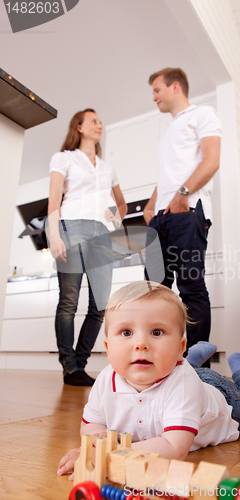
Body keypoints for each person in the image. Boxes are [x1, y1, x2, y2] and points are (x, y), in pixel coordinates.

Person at [57, 281, 240, 479]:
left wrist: (106, 455)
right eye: (126, 332)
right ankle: (193, 359)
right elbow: (90, 424)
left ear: (179, 346)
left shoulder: (183, 385)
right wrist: (95, 442)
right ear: (107, 348)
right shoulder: (106, 380)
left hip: (223, 398)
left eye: (156, 332)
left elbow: (174, 448)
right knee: (172, 368)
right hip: (179, 375)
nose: (140, 344)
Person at [143, 68, 221, 356]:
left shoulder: (203, 114)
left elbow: (212, 160)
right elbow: (168, 175)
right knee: (152, 291)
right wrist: (152, 204)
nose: (154, 97)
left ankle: (197, 370)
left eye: (157, 90)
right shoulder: (169, 131)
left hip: (187, 213)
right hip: (163, 216)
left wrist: (182, 195)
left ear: (175, 87)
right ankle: (159, 359)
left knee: (190, 288)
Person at [47, 108, 127, 387]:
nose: (99, 125)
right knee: (69, 300)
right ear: (79, 127)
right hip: (71, 228)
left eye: (101, 122)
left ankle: (80, 364)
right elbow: (54, 202)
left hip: (101, 235)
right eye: (93, 121)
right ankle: (69, 367)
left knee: (101, 305)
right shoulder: (64, 158)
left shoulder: (107, 167)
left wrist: (115, 218)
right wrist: (54, 236)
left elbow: (122, 203)